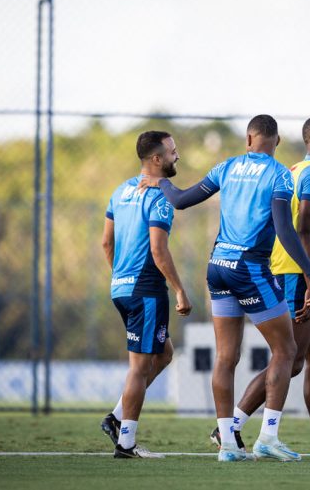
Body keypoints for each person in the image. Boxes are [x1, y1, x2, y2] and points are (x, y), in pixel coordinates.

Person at [140, 114, 310, 462]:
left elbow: (180, 200)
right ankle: (268, 436)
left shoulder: (227, 167)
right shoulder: (280, 175)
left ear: (248, 138)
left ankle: (228, 444)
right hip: (250, 268)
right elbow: (286, 230)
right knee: (285, 351)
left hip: (218, 267)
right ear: (277, 142)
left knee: (226, 356)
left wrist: (158, 182)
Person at [209, 116, 310, 461]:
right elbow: (306, 228)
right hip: (296, 274)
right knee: (289, 358)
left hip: (296, 272)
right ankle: (230, 426)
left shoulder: (294, 170)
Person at [100, 131, 192, 458]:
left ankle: (116, 416)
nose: (176, 156)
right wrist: (180, 291)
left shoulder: (120, 190)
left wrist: (120, 277)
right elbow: (158, 250)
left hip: (120, 288)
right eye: (172, 151)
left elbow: (106, 244)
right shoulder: (159, 198)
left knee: (164, 353)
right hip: (147, 291)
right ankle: (126, 443)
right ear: (157, 159)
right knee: (139, 368)